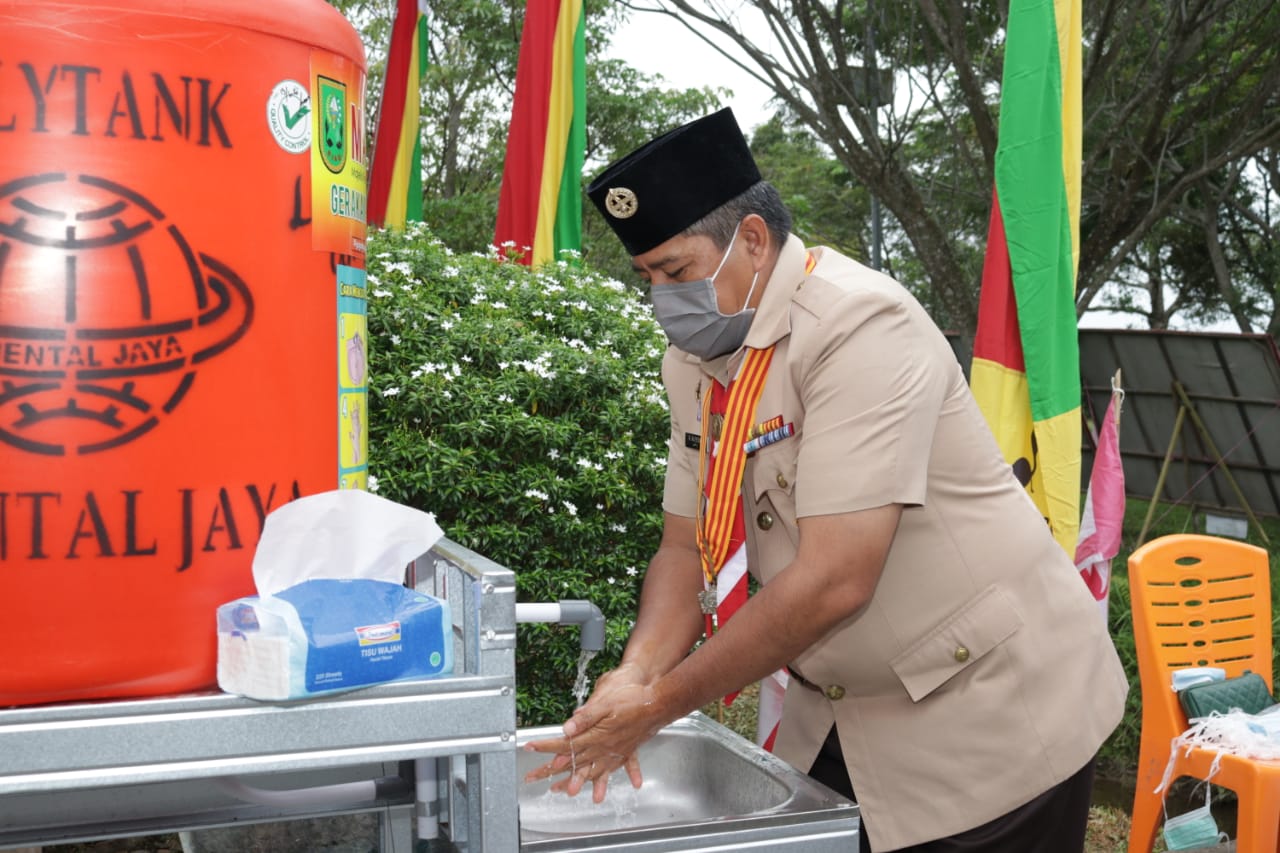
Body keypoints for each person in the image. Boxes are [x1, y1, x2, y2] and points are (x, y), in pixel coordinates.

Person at [524, 107, 1128, 853]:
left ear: (751, 239)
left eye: (676, 272)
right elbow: (684, 548)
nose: (662, 300)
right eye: (647, 278)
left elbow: (837, 578)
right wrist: (636, 673)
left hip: (992, 712)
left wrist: (662, 705)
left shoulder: (858, 325)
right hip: (851, 713)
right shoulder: (695, 365)